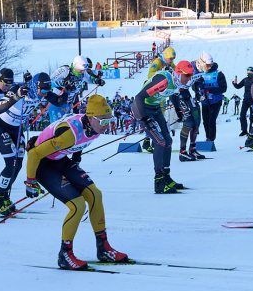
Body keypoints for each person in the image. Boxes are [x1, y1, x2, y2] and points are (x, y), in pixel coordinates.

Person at [24, 94, 127, 270]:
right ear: (90, 117)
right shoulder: (68, 135)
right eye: (103, 121)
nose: (107, 125)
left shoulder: (93, 126)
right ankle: (65, 254)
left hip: (61, 159)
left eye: (109, 120)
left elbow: (81, 142)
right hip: (43, 165)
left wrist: (76, 157)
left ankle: (103, 248)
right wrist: (31, 182)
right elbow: (34, 153)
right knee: (77, 205)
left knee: (95, 195)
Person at [0, 72, 68, 216]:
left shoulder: (43, 92)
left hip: (17, 128)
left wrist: (68, 90)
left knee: (18, 164)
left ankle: (4, 196)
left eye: (46, 91)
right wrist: (16, 96)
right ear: (35, 86)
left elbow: (59, 102)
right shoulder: (19, 88)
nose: (44, 94)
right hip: (1, 125)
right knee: (10, 163)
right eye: (42, 90)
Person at [131, 60, 194, 194]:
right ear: (178, 73)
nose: (188, 79)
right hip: (142, 109)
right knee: (160, 142)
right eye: (187, 76)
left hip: (155, 109)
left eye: (190, 76)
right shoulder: (164, 79)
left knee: (168, 141)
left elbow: (173, 94)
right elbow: (139, 97)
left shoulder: (177, 82)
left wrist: (178, 110)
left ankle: (166, 176)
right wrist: (144, 117)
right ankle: (158, 181)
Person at [195, 51, 227, 145]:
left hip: (215, 101)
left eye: (210, 65)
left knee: (211, 120)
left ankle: (211, 139)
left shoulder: (218, 74)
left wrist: (210, 90)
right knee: (205, 121)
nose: (208, 68)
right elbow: (195, 86)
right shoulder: (200, 73)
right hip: (204, 101)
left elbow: (223, 88)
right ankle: (208, 137)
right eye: (207, 65)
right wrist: (198, 90)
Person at [232, 67, 253, 136]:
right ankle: (244, 130)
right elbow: (238, 86)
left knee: (252, 116)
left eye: (250, 71)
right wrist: (234, 83)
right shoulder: (245, 79)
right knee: (242, 115)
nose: (248, 72)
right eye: (247, 71)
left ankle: (252, 131)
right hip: (246, 99)